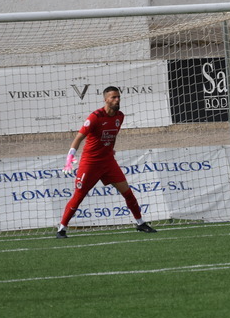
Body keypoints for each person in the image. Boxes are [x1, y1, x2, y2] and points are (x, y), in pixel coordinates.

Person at [56, 86, 157, 237]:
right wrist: (69, 158)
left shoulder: (120, 116)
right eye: (113, 97)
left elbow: (110, 136)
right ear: (106, 99)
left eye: (118, 97)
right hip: (90, 163)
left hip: (108, 162)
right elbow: (78, 138)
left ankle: (140, 223)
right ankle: (62, 228)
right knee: (79, 196)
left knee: (128, 193)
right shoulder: (95, 117)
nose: (117, 100)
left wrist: (109, 148)